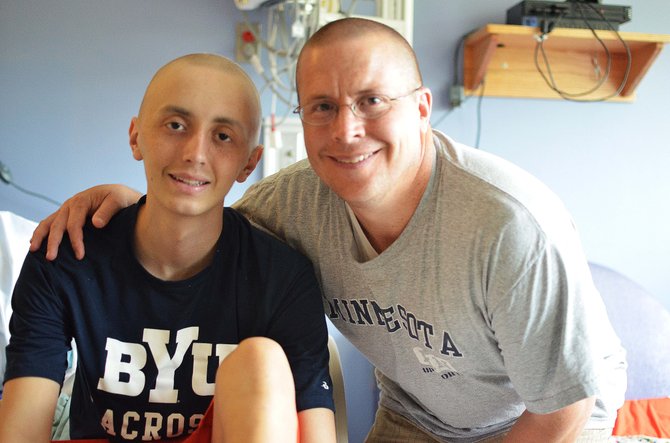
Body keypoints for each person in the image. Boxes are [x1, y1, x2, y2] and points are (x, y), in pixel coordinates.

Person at [29, 18, 627, 443]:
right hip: (418, 416)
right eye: (321, 106)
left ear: (421, 108)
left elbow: (564, 407)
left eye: (371, 101)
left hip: (555, 417)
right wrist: (129, 203)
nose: (345, 131)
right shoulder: (293, 205)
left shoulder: (505, 226)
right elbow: (197, 207)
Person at [0, 53, 336, 443]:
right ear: (136, 135)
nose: (195, 153)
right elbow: (20, 432)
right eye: (176, 125)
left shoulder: (282, 277)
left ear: (249, 163)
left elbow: (318, 433)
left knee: (260, 360)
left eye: (223, 136)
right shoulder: (65, 253)